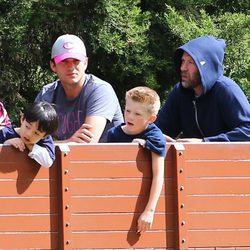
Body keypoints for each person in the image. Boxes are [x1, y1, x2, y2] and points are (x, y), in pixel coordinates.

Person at [155, 35, 250, 142]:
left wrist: (204, 143)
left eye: (190, 62)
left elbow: (247, 131)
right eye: (183, 61)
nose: (183, 68)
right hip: (192, 158)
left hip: (230, 158)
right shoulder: (180, 92)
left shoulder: (226, 89)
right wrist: (147, 138)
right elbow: (160, 128)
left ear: (206, 66)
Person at [35, 34, 123, 143]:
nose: (71, 67)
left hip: (108, 159)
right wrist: (68, 142)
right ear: (53, 66)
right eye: (64, 61)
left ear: (85, 63)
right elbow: (31, 137)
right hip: (66, 158)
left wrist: (49, 145)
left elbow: (86, 144)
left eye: (76, 61)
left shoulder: (101, 91)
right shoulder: (46, 94)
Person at [107, 86, 166, 233]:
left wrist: (149, 211)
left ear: (151, 119)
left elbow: (159, 175)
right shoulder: (114, 134)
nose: (130, 117)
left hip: (140, 203)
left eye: (137, 114)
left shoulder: (154, 136)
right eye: (127, 111)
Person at [0, 102, 58, 168]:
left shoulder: (45, 140)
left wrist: (30, 145)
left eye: (36, 133)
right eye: (27, 127)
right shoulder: (5, 133)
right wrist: (6, 144)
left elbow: (47, 162)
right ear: (22, 119)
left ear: (44, 136)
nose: (29, 134)